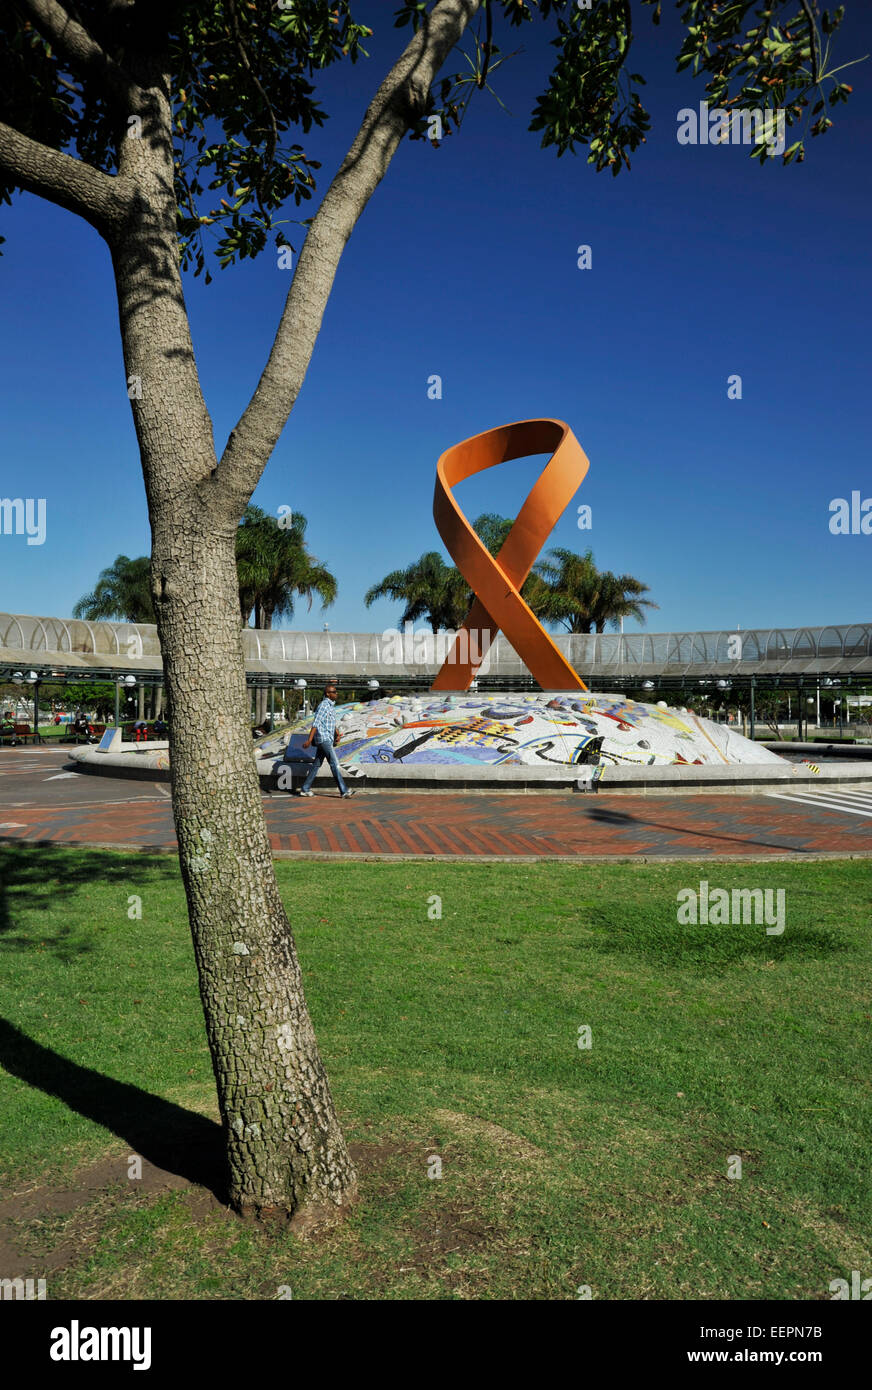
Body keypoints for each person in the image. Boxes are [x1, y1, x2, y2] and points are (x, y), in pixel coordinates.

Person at [298, 682, 356, 798]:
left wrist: (337, 734)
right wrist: (309, 740)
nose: (336, 693)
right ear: (328, 694)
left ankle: (305, 789)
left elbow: (330, 723)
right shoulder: (324, 705)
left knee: (316, 765)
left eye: (336, 691)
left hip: (327, 738)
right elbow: (316, 723)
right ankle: (344, 791)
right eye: (334, 692)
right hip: (323, 739)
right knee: (334, 763)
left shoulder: (330, 706)